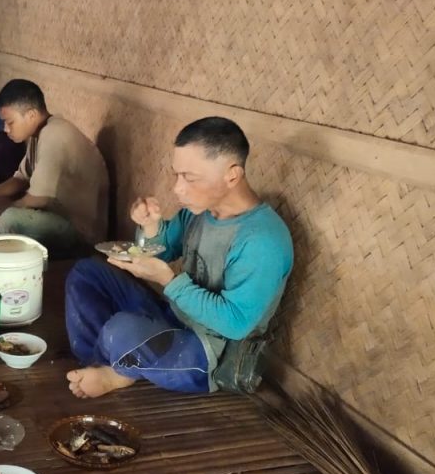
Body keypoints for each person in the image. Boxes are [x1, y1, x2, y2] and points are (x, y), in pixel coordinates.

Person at [64, 117, 293, 398]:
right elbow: (164, 248)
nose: (177, 189)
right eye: (177, 175)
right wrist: (150, 226)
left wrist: (168, 281)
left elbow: (236, 323)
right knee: (88, 273)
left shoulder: (261, 240)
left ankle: (116, 370)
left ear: (232, 175)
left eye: (190, 178)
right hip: (172, 315)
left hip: (206, 352)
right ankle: (99, 363)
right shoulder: (202, 211)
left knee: (121, 330)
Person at [0, 79, 109, 256]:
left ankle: (3, 222)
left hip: (80, 232)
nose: (6, 129)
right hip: (53, 214)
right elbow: (21, 179)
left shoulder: (54, 135)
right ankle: (0, 217)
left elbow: (39, 199)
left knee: (11, 218)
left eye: (10, 122)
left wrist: (10, 206)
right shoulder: (40, 133)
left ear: (31, 115)